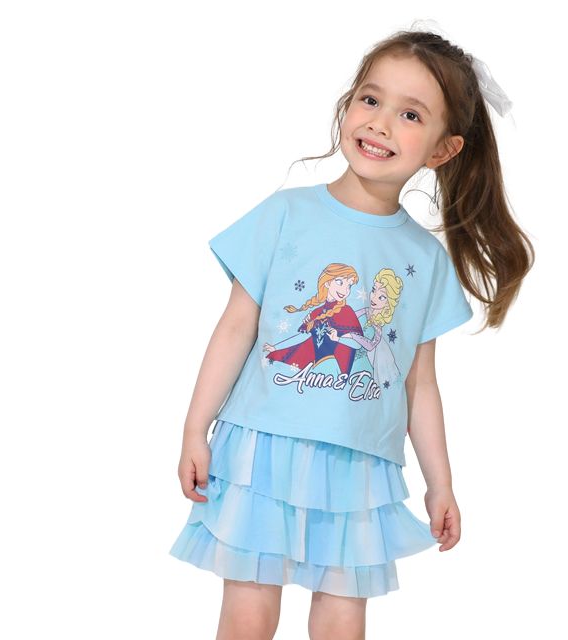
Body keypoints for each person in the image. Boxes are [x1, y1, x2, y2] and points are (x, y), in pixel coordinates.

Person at [169, 21, 534, 640]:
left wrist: (441, 483)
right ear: (348, 104)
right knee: (248, 616)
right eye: (371, 99)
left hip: (359, 466)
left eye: (410, 115)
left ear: (444, 150)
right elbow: (234, 329)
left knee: (342, 622)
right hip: (262, 448)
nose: (381, 123)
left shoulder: (423, 260)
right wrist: (194, 428)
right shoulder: (285, 213)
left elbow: (419, 384)